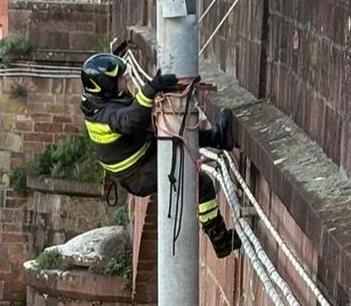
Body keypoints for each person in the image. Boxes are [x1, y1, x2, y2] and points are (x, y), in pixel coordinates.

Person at [79, 53, 241, 258]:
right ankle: (221, 242)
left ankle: (218, 138)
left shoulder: (101, 101)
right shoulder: (102, 115)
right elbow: (130, 120)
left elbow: (135, 114)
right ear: (105, 85)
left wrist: (160, 87)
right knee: (202, 183)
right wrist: (151, 89)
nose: (124, 82)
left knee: (171, 134)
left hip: (139, 158)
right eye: (119, 80)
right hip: (138, 174)